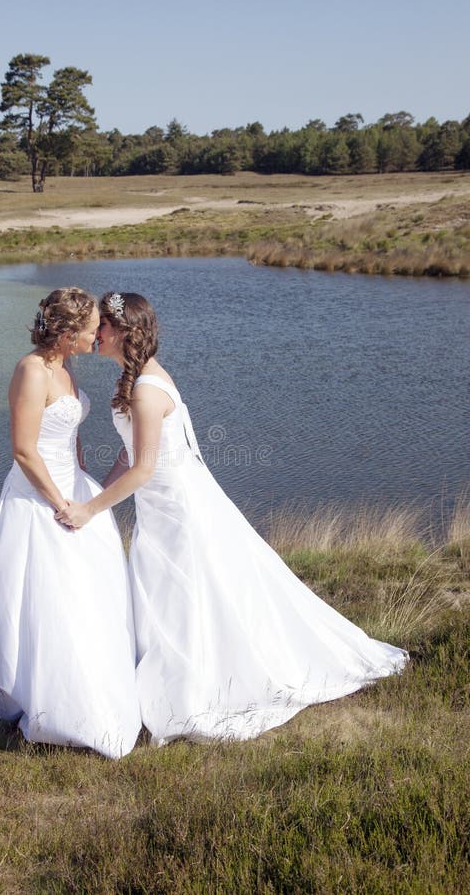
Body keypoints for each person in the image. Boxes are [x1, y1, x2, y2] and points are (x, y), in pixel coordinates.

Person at [60, 292, 408, 746]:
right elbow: (130, 452)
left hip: (175, 508)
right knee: (174, 592)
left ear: (124, 332)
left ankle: (194, 692)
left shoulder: (146, 389)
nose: (97, 334)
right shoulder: (137, 379)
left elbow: (144, 468)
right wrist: (95, 489)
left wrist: (91, 509)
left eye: (103, 326)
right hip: (162, 506)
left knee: (183, 593)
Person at [0, 287, 140, 759]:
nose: (100, 334)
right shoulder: (32, 371)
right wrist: (60, 505)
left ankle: (91, 679)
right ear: (70, 332)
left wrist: (81, 485)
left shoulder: (65, 366)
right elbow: (23, 450)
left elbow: (69, 431)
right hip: (38, 499)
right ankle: (46, 696)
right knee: (48, 592)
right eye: (94, 327)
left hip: (72, 489)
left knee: (87, 588)